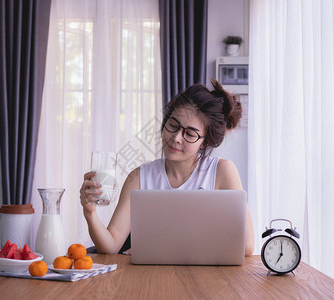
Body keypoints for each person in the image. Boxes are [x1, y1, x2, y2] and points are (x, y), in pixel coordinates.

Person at [80, 79, 255, 256]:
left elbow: (247, 245)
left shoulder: (221, 172)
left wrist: (163, 248)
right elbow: (111, 246)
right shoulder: (140, 177)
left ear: (205, 142)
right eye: (173, 125)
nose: (177, 137)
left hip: (203, 278)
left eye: (190, 133)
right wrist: (90, 213)